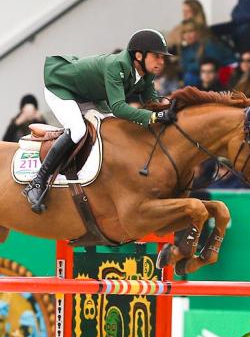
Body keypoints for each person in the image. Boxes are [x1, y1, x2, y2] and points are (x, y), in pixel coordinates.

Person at [22, 29, 177, 213]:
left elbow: (152, 104)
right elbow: (119, 107)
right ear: (138, 55)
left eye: (162, 57)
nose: (162, 61)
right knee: (78, 129)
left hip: (88, 95)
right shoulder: (117, 65)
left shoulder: (147, 73)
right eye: (157, 56)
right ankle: (37, 182)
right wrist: (154, 117)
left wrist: (171, 111)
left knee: (111, 128)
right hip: (61, 88)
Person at [178, 20, 234, 86]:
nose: (187, 35)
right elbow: (183, 66)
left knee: (190, 77)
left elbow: (213, 64)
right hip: (205, 73)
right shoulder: (187, 49)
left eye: (191, 31)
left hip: (227, 70)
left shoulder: (209, 44)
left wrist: (190, 67)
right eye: (184, 32)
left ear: (198, 32)